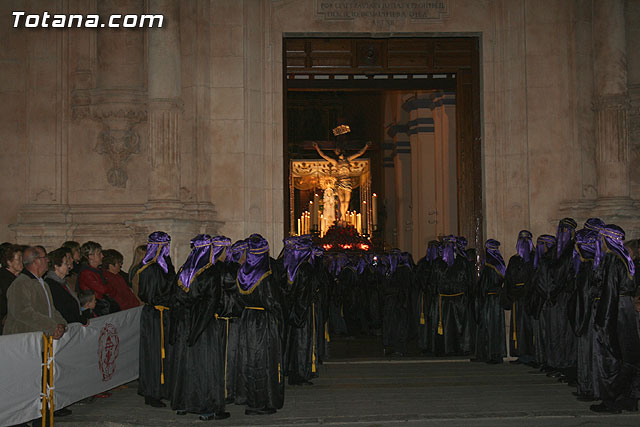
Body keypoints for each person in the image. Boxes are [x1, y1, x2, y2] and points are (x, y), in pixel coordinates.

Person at [169, 235, 231, 420]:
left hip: (184, 322)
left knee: (184, 363)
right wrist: (198, 330)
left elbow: (175, 300)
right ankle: (206, 407)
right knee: (205, 365)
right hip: (202, 325)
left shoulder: (183, 270)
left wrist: (177, 326)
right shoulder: (210, 272)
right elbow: (212, 302)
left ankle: (182, 403)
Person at [590, 225, 640, 414]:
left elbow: (610, 292)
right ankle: (629, 399)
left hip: (616, 310)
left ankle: (611, 401)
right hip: (626, 309)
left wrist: (603, 322)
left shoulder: (611, 258)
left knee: (611, 357)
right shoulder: (626, 259)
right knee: (629, 356)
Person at [234, 234, 285, 415]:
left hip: (247, 318)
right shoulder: (266, 276)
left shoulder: (241, 272)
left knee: (248, 359)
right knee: (262, 361)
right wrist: (280, 319)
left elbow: (238, 299)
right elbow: (273, 302)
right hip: (263, 321)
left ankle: (247, 396)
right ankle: (259, 403)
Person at [134, 231, 175, 409]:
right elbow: (150, 294)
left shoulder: (165, 265)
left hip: (164, 314)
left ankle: (164, 388)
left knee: (165, 351)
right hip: (155, 315)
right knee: (154, 353)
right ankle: (152, 391)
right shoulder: (149, 268)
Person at [3, 246, 67, 339]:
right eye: (45, 257)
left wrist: (61, 324)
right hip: (23, 342)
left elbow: (51, 310)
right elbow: (23, 313)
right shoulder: (21, 284)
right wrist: (52, 326)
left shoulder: (43, 284)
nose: (48, 260)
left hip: (39, 340)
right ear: (36, 261)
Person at [312, 138, 371, 221]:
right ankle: (343, 217)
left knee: (347, 201)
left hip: (347, 183)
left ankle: (343, 217)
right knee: (342, 201)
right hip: (340, 183)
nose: (337, 152)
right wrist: (317, 148)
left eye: (338, 150)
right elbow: (324, 156)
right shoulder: (336, 162)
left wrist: (366, 146)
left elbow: (359, 153)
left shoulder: (348, 160)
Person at [501, 230, 535, 365]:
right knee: (519, 327)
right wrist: (510, 296)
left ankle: (533, 355)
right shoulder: (514, 260)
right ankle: (521, 354)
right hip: (517, 298)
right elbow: (509, 278)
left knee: (530, 326)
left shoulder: (535, 258)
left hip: (530, 298)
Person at [474, 239, 506, 364]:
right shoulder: (491, 265)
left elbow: (487, 284)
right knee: (485, 327)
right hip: (488, 300)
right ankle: (484, 354)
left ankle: (494, 355)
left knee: (493, 328)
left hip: (492, 301)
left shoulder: (492, 266)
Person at [78, 241, 119, 315]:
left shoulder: (97, 270)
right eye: (99, 253)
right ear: (90, 256)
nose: (102, 256)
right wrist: (110, 288)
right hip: (97, 308)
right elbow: (103, 290)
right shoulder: (87, 273)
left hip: (103, 305)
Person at [45, 247, 84, 325]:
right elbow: (61, 309)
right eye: (66, 263)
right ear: (56, 266)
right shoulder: (51, 284)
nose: (69, 266)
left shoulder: (62, 282)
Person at [0, 244, 23, 333]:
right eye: (18, 259)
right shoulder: (4, 279)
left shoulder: (18, 278)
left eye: (22, 259)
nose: (21, 262)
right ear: (9, 262)